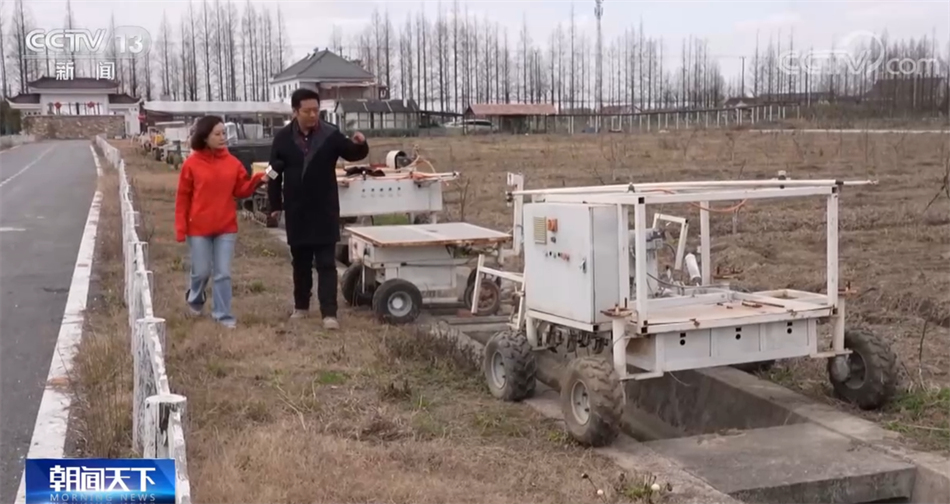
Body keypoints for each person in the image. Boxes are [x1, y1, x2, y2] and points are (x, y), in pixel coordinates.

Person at [267, 88, 369, 329]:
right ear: (295, 111)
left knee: (326, 263)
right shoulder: (282, 138)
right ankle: (301, 306)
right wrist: (275, 205)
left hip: (325, 208)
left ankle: (329, 314)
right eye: (307, 111)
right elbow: (272, 174)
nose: (313, 115)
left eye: (316, 110)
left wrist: (361, 144)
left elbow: (352, 153)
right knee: (300, 262)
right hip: (296, 209)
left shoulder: (330, 135)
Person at [174, 115, 266, 328]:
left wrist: (256, 181)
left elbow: (241, 190)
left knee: (223, 273)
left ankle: (223, 315)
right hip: (198, 228)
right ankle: (195, 299)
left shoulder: (233, 163)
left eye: (224, 133)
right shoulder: (191, 164)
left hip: (226, 228)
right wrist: (181, 227)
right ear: (205, 137)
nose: (223, 137)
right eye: (217, 134)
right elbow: (182, 198)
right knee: (201, 271)